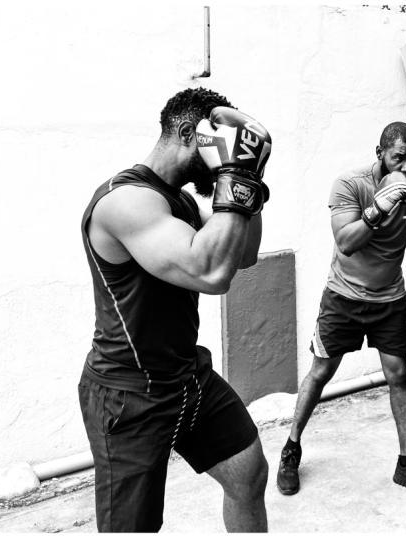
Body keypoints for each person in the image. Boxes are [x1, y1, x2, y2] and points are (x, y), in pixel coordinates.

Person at [78, 87, 272, 532]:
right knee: (134, 529)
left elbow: (242, 255)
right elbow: (211, 273)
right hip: (131, 394)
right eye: (217, 142)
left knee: (248, 474)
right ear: (189, 133)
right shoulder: (124, 201)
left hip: (187, 375)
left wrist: (250, 183)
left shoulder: (181, 201)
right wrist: (237, 176)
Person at [276, 122, 406, 501]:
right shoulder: (350, 184)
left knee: (399, 375)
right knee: (322, 371)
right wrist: (379, 206)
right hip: (343, 297)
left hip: (389, 300)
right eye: (397, 158)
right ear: (380, 153)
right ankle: (291, 449)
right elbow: (346, 242)